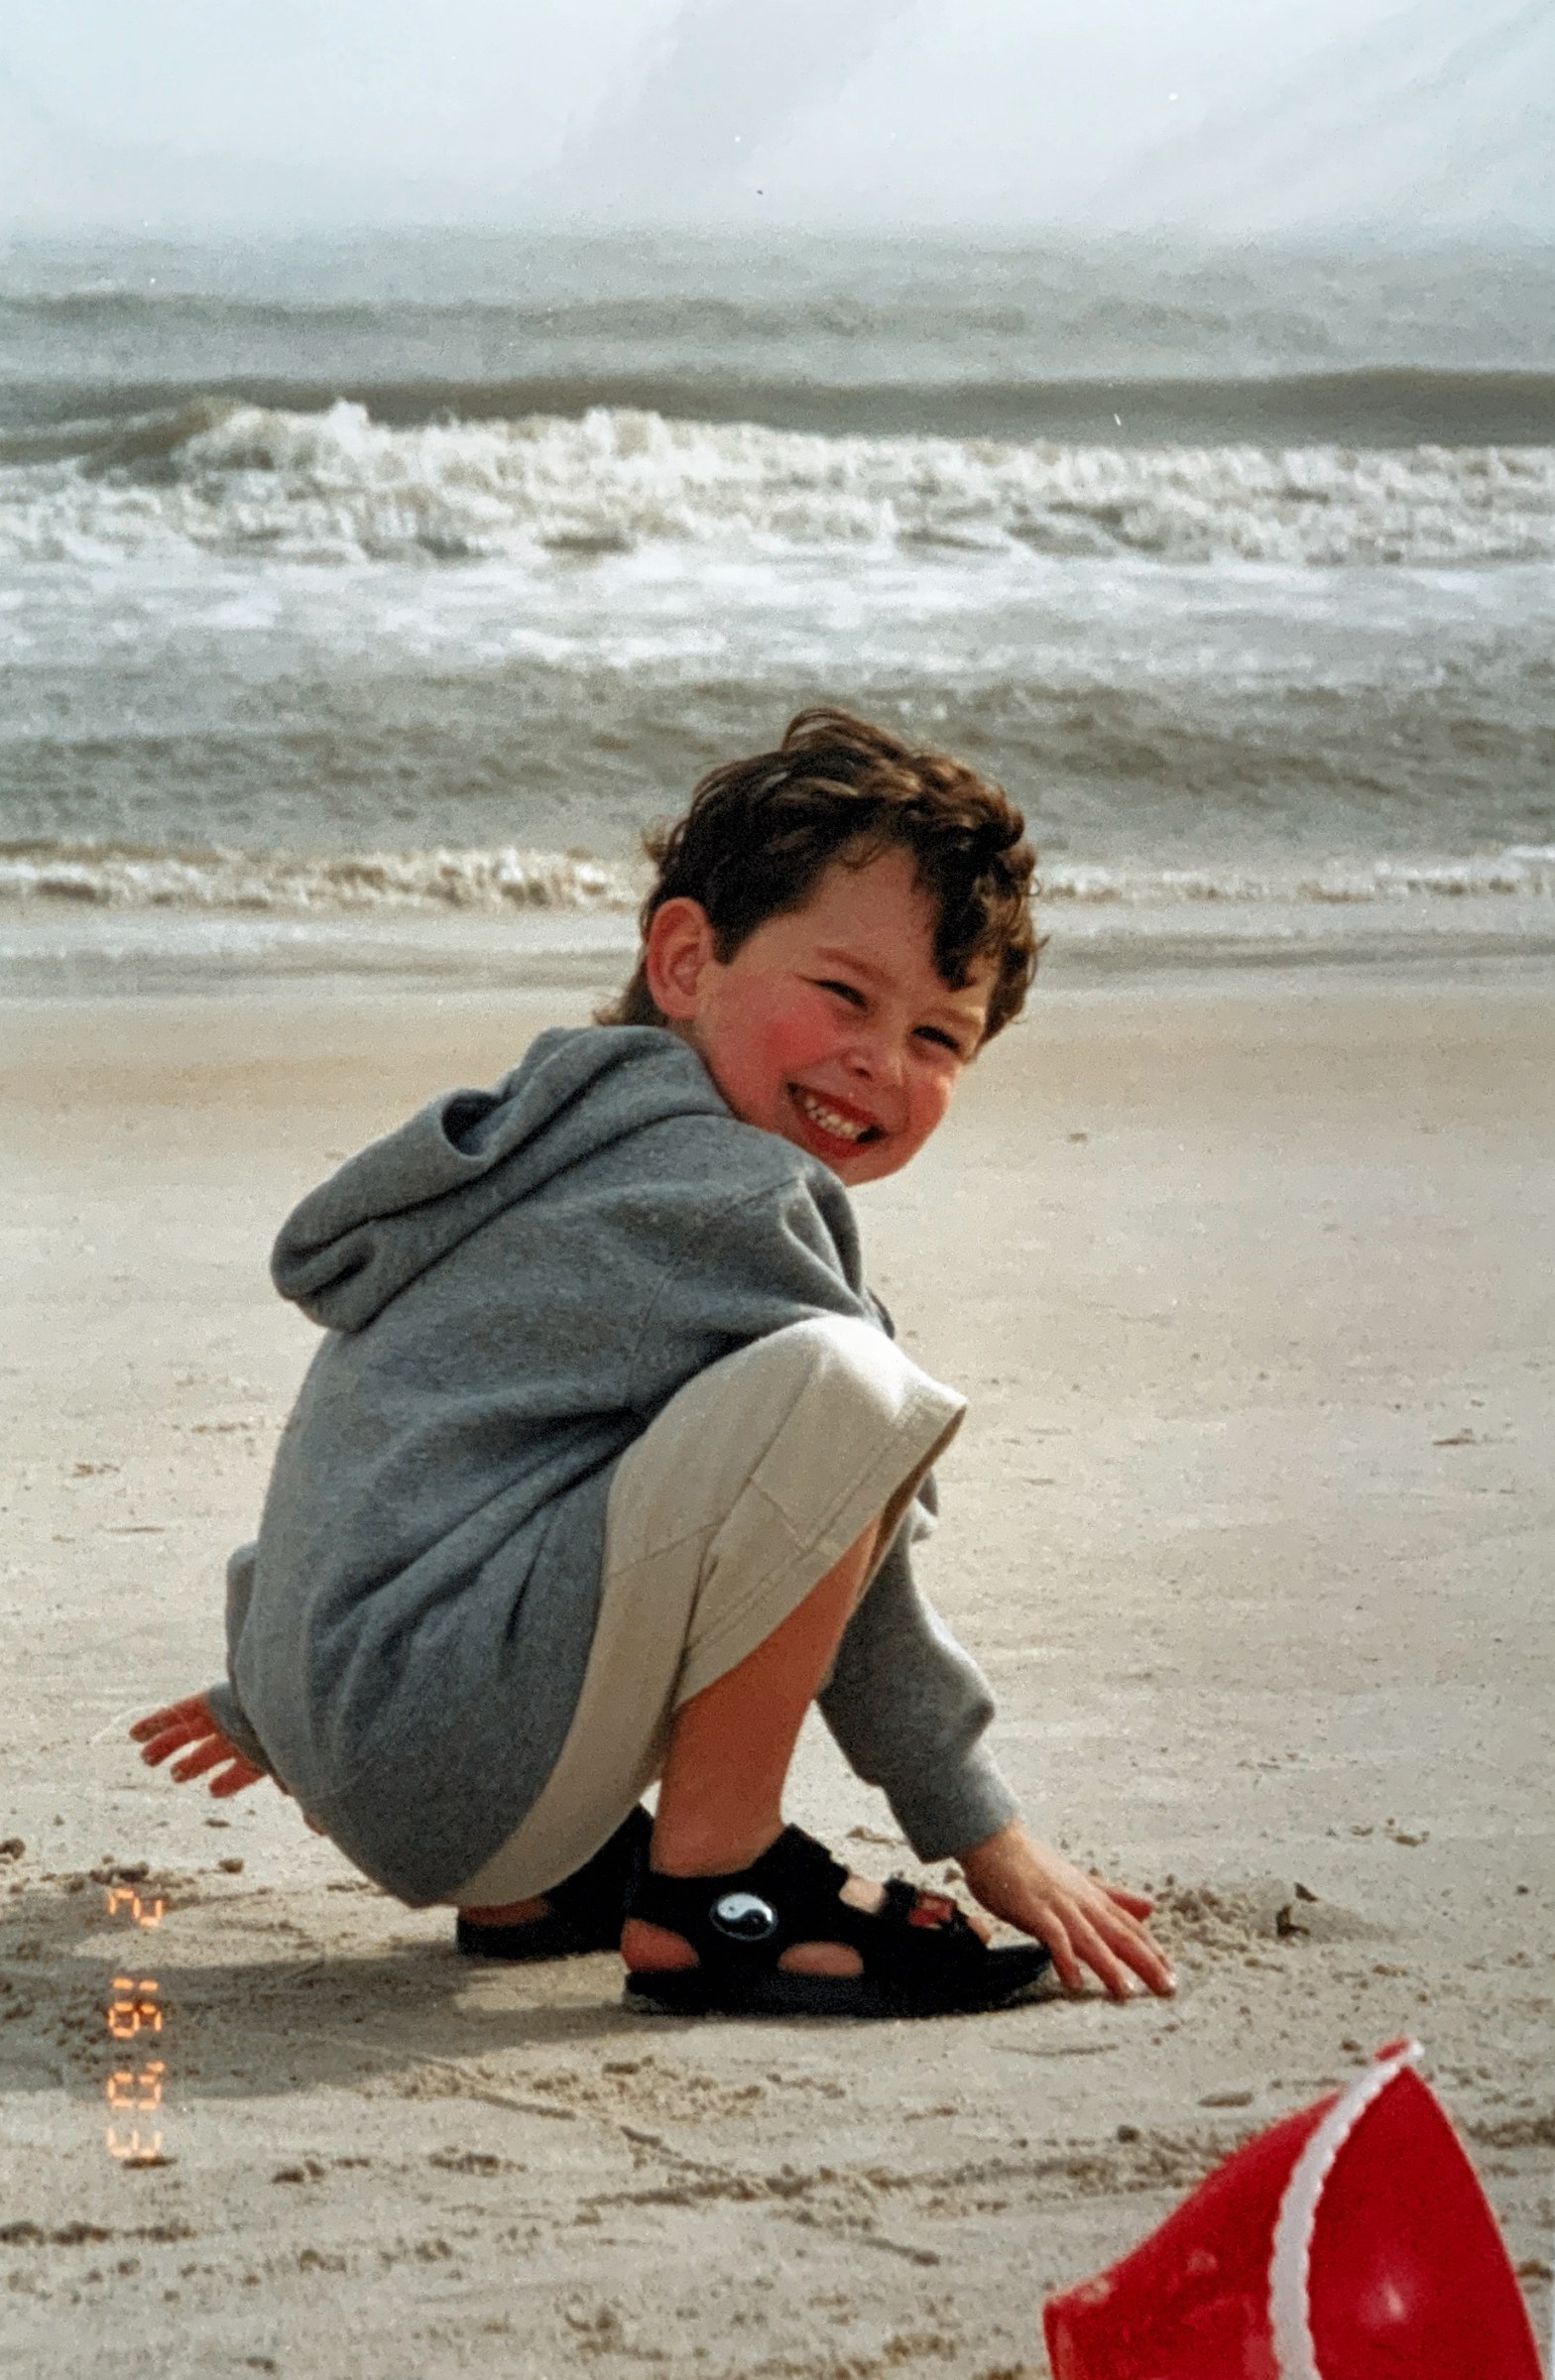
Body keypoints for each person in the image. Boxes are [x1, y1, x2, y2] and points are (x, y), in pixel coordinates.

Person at [133, 707, 1174, 2019]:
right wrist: (980, 1829)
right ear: (685, 959)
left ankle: (548, 1886)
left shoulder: (555, 1140)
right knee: (849, 1393)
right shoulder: (725, 1189)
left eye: (937, 1038)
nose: (878, 1059)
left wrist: (281, 1687)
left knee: (767, 1415)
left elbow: (428, 1421)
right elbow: (855, 1525)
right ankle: (720, 1890)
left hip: (379, 1729)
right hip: (443, 1746)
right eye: (844, 995)